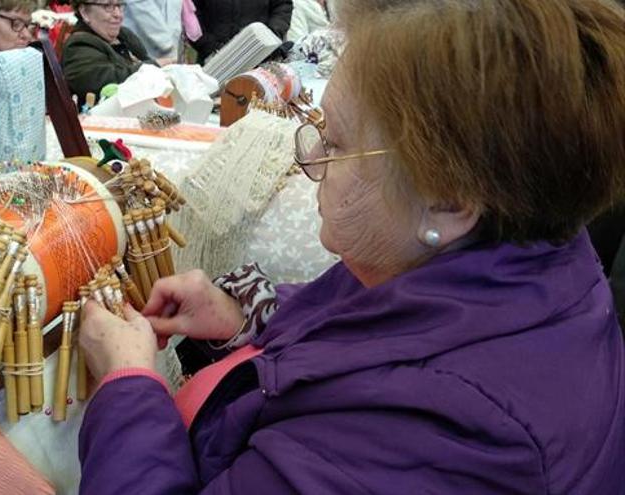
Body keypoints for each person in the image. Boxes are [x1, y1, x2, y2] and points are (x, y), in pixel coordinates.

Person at [76, 0, 625, 493]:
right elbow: (369, 330)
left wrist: (125, 387)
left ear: (450, 200)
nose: (307, 159)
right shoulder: (510, 255)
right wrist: (246, 318)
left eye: (335, 143)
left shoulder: (437, 435)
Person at [61, 0, 159, 107]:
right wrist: (156, 65)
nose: (118, 14)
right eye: (108, 6)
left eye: (119, 5)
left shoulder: (124, 35)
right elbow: (111, 84)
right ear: (84, 12)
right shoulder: (78, 47)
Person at [191, 0, 292, 63]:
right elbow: (190, 15)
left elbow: (282, 7)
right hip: (212, 60)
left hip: (260, 58)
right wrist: (209, 46)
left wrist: (269, 35)